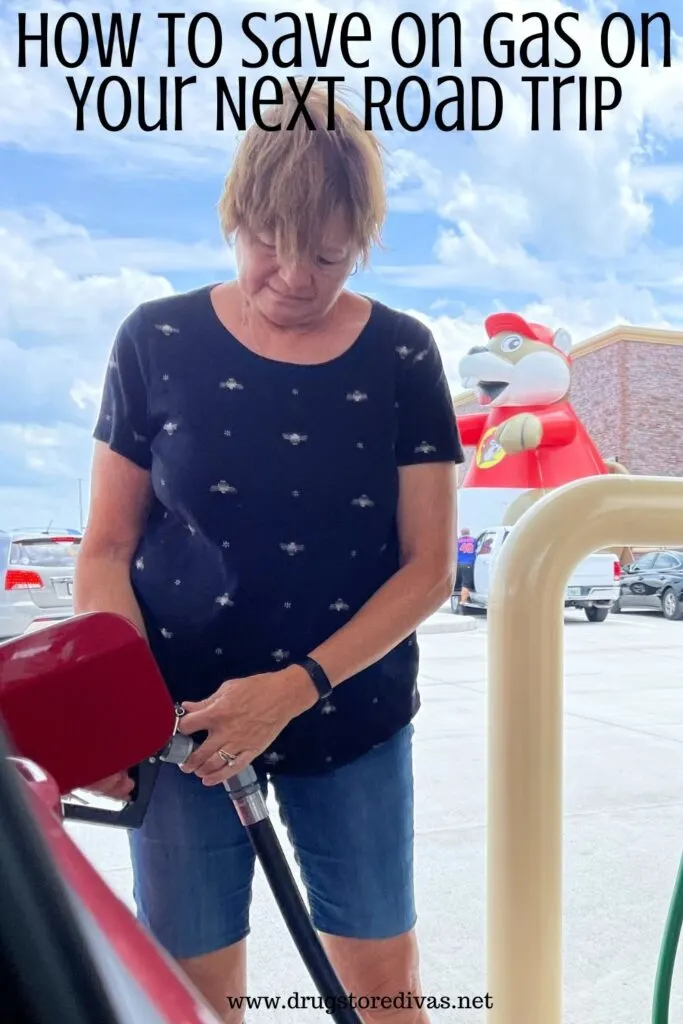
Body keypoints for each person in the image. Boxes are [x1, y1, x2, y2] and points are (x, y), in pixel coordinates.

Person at [74, 79, 464, 1024]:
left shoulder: (404, 355)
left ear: (363, 242)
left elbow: (429, 568)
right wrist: (123, 712)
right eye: (268, 247)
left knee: (382, 986)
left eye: (326, 257)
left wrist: (293, 688)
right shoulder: (154, 339)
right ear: (233, 218)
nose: (293, 277)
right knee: (193, 995)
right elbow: (107, 548)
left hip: (352, 718)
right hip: (181, 731)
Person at [454, 527, 476, 608]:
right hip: (468, 563)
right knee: (466, 583)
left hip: (458, 563)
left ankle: (461, 598)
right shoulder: (474, 540)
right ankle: (463, 601)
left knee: (458, 583)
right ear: (469, 532)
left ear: (461, 533)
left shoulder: (458, 541)